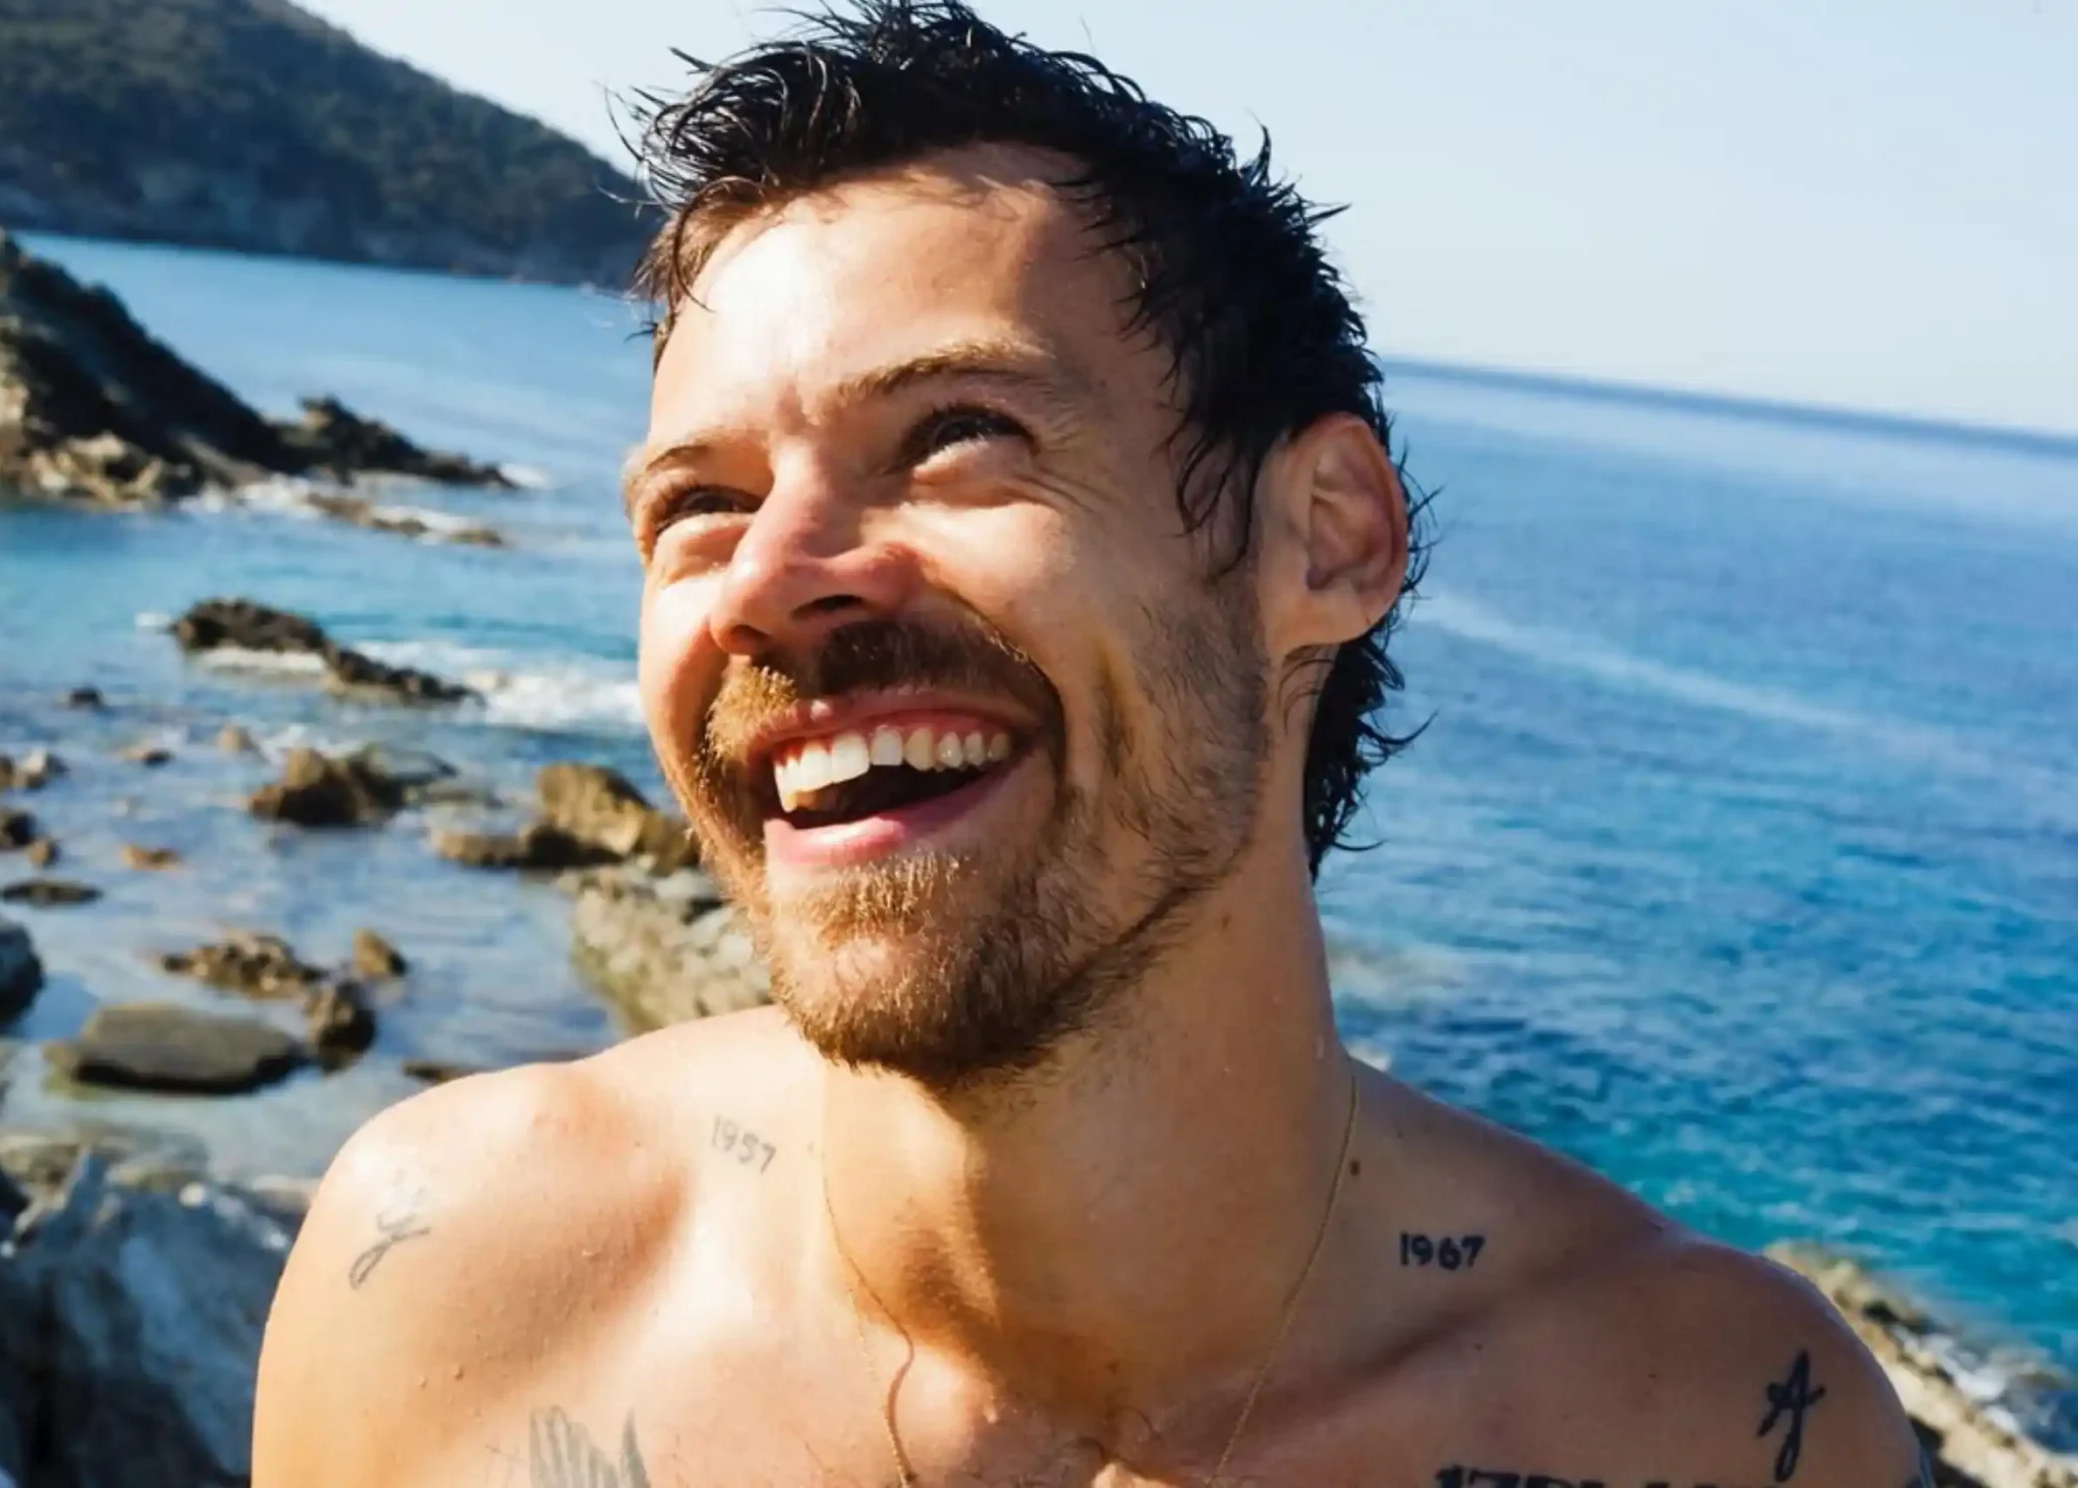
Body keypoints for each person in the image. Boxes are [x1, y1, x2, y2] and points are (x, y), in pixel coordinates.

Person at [253, 4, 1930, 1484]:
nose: (765, 580)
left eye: (957, 436)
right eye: (700, 506)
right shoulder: (456, 1281)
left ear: (1328, 537)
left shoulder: (1711, 1427)